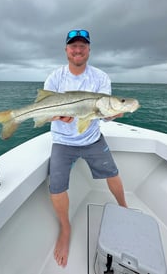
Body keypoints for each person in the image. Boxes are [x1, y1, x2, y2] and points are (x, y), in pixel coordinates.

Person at [44, 29, 127, 267]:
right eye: (73, 46)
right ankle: (66, 228)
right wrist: (58, 117)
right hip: (62, 142)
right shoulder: (55, 78)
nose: (77, 49)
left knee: (113, 173)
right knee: (56, 187)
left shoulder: (101, 78)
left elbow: (103, 113)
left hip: (91, 138)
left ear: (89, 49)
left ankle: (124, 208)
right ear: (66, 50)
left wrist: (114, 114)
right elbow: (47, 113)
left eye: (82, 45)